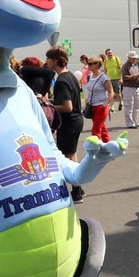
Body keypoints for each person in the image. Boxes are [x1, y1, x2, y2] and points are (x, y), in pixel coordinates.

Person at [45, 46, 85, 204]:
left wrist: (49, 105)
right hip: (76, 121)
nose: (47, 61)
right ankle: (78, 189)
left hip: (68, 123)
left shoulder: (61, 80)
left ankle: (76, 193)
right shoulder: (70, 76)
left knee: (67, 157)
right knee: (72, 154)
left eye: (48, 58)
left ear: (55, 61)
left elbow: (67, 106)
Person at [84, 55, 113, 143]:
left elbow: (111, 92)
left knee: (95, 130)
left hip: (101, 106)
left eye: (91, 64)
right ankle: (110, 149)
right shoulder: (90, 77)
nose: (89, 65)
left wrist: (106, 103)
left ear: (97, 65)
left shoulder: (103, 77)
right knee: (102, 129)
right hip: (92, 107)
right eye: (88, 63)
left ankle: (96, 151)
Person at [121, 51, 139, 129]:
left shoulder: (135, 65)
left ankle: (135, 121)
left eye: (135, 58)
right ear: (129, 58)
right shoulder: (125, 66)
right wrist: (137, 75)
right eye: (133, 58)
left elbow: (138, 73)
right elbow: (125, 77)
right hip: (128, 87)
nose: (134, 59)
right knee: (128, 105)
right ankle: (129, 123)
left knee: (136, 105)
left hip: (136, 87)